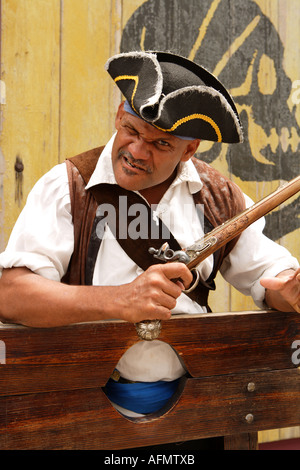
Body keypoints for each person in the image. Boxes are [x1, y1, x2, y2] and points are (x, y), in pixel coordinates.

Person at [0, 51, 299, 419]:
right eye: (132, 130)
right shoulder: (68, 187)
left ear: (189, 150)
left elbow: (271, 279)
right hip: (79, 409)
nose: (137, 152)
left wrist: (289, 289)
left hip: (194, 410)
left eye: (161, 144)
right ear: (118, 115)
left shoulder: (220, 198)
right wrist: (120, 301)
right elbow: (11, 294)